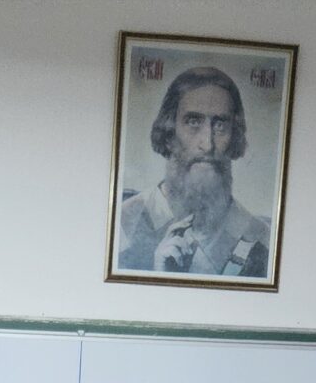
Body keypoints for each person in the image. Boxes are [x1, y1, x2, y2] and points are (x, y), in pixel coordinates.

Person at [113, 65, 273, 279]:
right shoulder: (123, 223)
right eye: (193, 122)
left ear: (234, 136)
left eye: (220, 125)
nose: (207, 144)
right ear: (169, 134)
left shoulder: (260, 238)